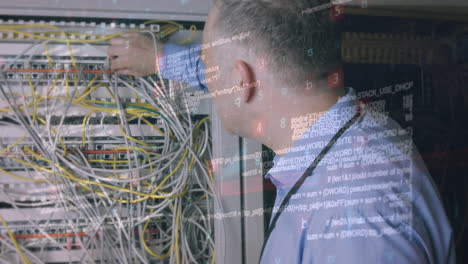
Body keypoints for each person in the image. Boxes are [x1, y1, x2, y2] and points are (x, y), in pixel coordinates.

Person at [108, 0, 455, 263]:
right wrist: (162, 60)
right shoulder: (358, 132)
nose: (208, 80)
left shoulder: (351, 223)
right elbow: (256, 75)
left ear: (240, 82)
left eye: (208, 66)